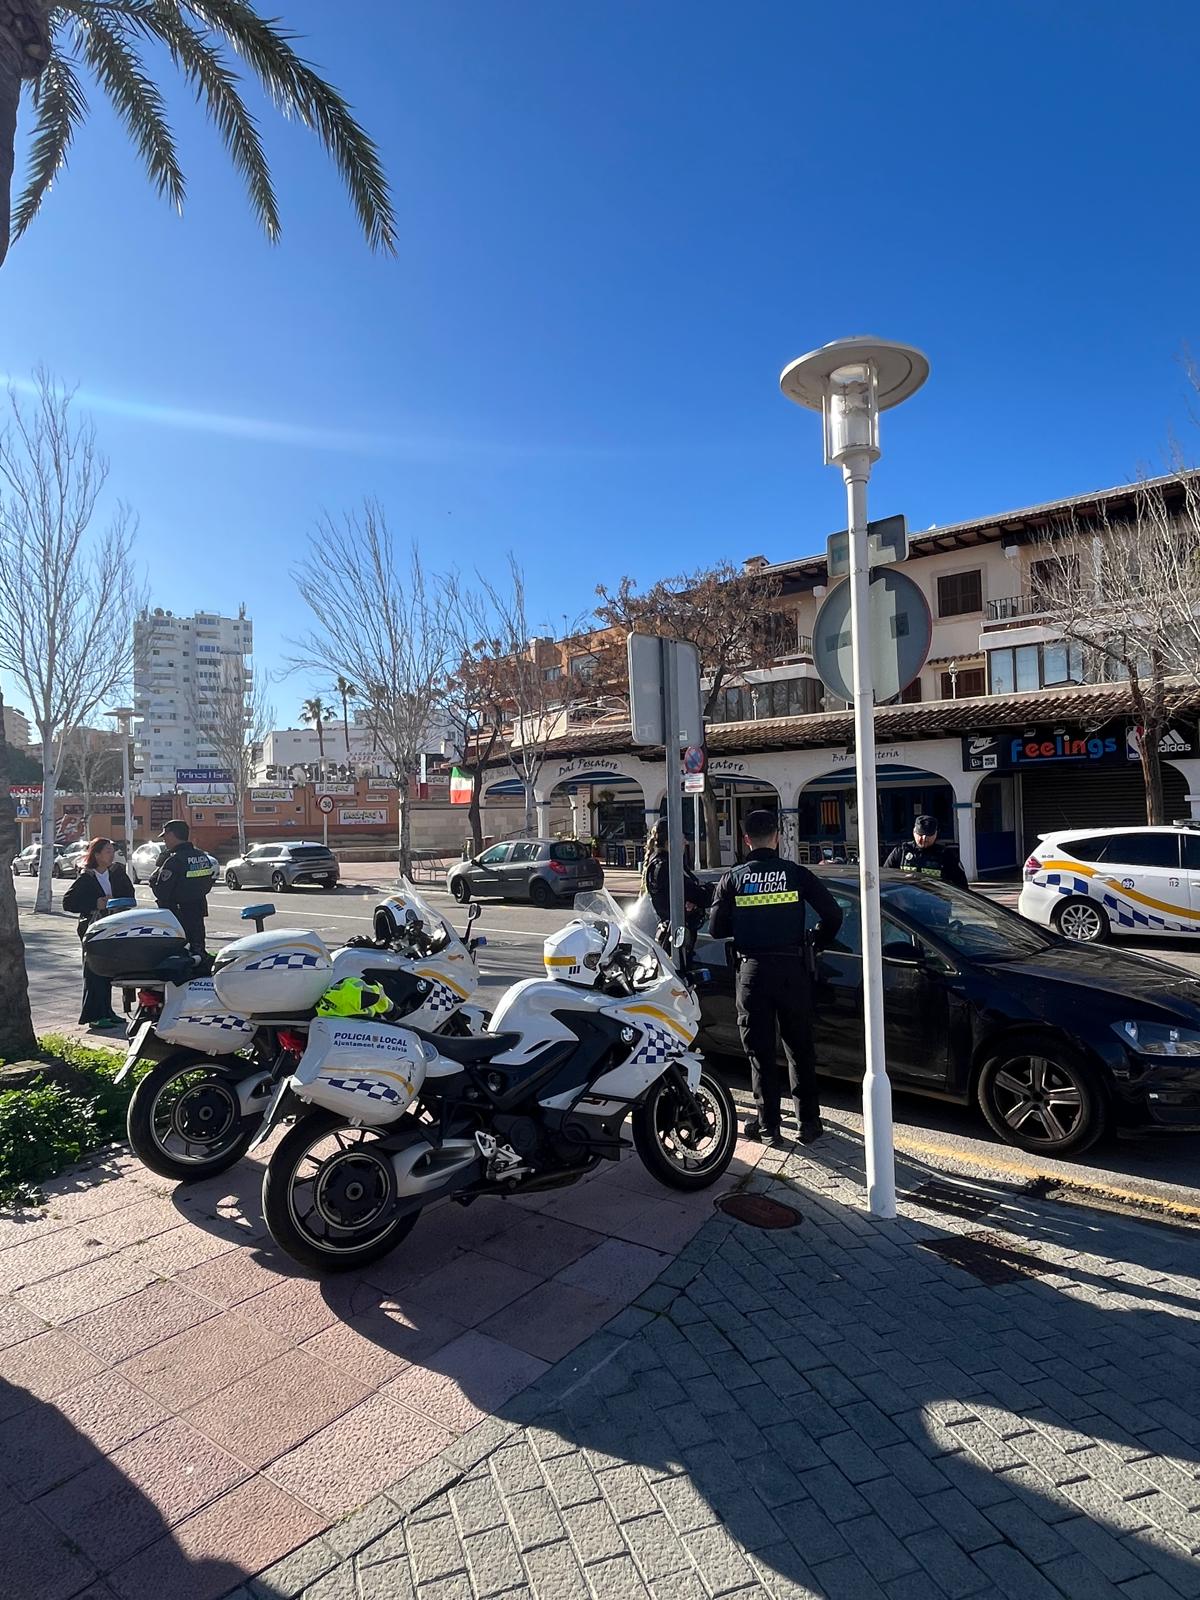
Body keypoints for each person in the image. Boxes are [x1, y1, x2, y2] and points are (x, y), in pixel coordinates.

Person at [709, 809, 843, 1147]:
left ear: (745, 840)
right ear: (778, 837)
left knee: (761, 1053)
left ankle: (769, 1128)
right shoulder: (795, 873)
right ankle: (808, 1124)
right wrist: (816, 941)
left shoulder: (734, 878)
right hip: (792, 969)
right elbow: (833, 913)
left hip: (753, 972)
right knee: (800, 1048)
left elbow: (716, 929)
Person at [62, 838, 136, 1030]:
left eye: (112, 850)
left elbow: (130, 894)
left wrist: (117, 901)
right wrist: (96, 903)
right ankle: (94, 1014)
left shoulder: (118, 873)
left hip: (114, 927)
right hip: (93, 928)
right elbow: (68, 903)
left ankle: (107, 1011)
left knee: (109, 970)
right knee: (93, 970)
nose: (112, 854)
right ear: (96, 855)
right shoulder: (87, 877)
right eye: (107, 851)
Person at [642, 819, 711, 966]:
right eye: (682, 837)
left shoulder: (666, 864)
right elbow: (700, 896)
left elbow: (692, 892)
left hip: (676, 936)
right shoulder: (666, 867)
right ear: (670, 841)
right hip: (675, 939)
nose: (685, 842)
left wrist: (693, 899)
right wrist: (703, 894)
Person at [149, 819, 215, 955]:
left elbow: (161, 891)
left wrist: (156, 873)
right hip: (198, 909)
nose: (164, 840)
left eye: (165, 836)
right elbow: (208, 882)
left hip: (178, 914)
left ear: (172, 835)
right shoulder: (201, 856)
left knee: (182, 953)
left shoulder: (174, 861)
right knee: (198, 948)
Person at [884, 814, 968, 889]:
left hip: (935, 902)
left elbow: (961, 886)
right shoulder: (901, 851)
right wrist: (902, 878)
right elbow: (885, 876)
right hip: (905, 902)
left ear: (936, 834)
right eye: (920, 835)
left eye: (929, 835)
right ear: (914, 832)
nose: (924, 839)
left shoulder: (946, 855)